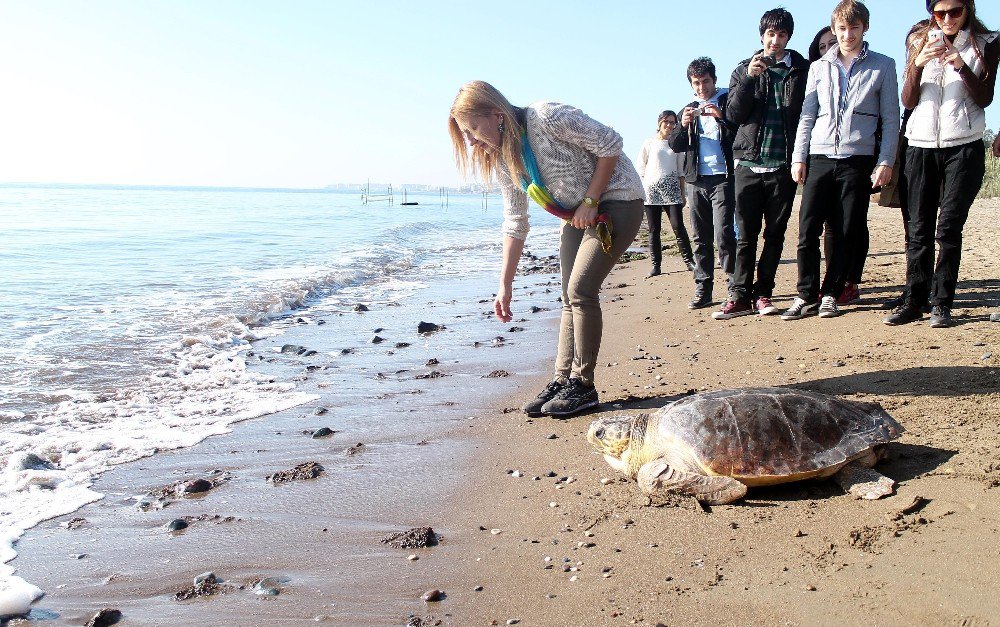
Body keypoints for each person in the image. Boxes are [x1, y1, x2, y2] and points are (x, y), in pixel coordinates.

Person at [448, 81, 644, 417]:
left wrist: (591, 200)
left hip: (619, 200)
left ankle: (583, 386)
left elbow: (610, 143)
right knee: (568, 297)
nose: (470, 141)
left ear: (497, 115)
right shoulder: (504, 159)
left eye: (472, 129)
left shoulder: (547, 116)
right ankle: (561, 380)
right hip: (576, 213)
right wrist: (505, 285)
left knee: (581, 290)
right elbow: (515, 222)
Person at [782, 0, 900, 321]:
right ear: (834, 29)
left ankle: (830, 294)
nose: (848, 34)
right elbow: (807, 115)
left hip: (857, 160)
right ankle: (805, 293)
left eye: (855, 27)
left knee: (847, 230)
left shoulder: (883, 66)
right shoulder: (819, 67)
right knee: (807, 230)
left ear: (865, 28)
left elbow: (891, 119)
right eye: (842, 28)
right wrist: (799, 157)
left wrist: (886, 160)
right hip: (819, 156)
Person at [884, 0, 999, 328]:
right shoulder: (918, 37)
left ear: (968, 9)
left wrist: (962, 65)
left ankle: (942, 303)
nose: (947, 19)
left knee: (948, 227)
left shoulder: (987, 42)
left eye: (955, 11)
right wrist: (918, 64)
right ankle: (914, 300)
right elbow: (908, 99)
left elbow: (986, 97)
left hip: (963, 147)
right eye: (939, 13)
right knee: (918, 229)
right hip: (920, 145)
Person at [713, 8, 810, 320]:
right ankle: (739, 294)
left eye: (781, 35)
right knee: (746, 234)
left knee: (776, 233)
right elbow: (733, 116)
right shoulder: (743, 69)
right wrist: (749, 78)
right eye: (770, 34)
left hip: (783, 164)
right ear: (761, 36)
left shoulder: (802, 70)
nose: (775, 40)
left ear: (788, 37)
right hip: (748, 163)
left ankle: (763, 293)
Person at [668, 57, 737, 310]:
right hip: (696, 179)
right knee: (700, 237)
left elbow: (740, 134)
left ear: (714, 80)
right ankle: (704, 288)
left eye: (705, 81)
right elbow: (675, 145)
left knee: (725, 235)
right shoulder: (687, 108)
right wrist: (682, 125)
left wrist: (721, 118)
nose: (701, 88)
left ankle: (734, 288)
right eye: (696, 83)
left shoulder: (728, 100)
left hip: (724, 177)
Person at [637, 110, 694, 277]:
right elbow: (641, 167)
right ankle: (656, 266)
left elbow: (680, 172)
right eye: (666, 122)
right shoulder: (649, 143)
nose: (669, 125)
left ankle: (689, 261)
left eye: (672, 122)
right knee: (654, 230)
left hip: (673, 189)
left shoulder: (676, 144)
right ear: (659, 123)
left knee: (678, 226)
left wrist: (683, 194)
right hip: (651, 191)